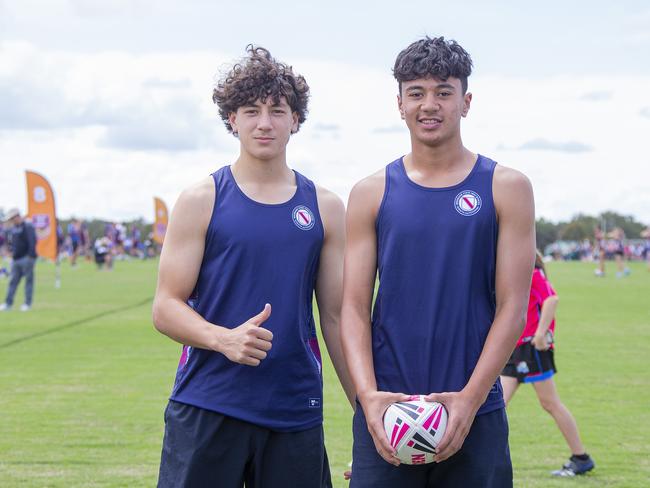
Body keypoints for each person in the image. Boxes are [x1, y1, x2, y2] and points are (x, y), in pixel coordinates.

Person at [152, 45, 354, 488]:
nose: (265, 122)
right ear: (232, 120)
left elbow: (337, 319)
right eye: (251, 110)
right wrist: (223, 339)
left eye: (277, 110)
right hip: (208, 405)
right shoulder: (201, 199)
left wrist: (366, 415)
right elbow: (166, 306)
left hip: (293, 408)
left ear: (295, 120)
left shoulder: (325, 206)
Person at [341, 36, 535, 487]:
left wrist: (470, 399)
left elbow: (513, 307)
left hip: (475, 409)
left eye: (444, 92)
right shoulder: (370, 192)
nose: (430, 105)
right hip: (388, 410)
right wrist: (367, 397)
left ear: (466, 102)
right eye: (417, 93)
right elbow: (353, 307)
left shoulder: (506, 187)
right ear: (399, 103)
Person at [501, 251, 595, 477]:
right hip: (515, 349)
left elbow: (552, 299)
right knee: (495, 404)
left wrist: (541, 333)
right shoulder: (515, 275)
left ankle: (581, 457)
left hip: (532, 349)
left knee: (550, 403)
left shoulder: (532, 273)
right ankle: (476, 458)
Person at [0, 208, 38, 312]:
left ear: (17, 216)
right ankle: (8, 303)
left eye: (13, 218)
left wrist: (31, 256)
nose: (12, 220)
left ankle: (27, 303)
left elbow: (32, 242)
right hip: (15, 259)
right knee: (13, 282)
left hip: (27, 258)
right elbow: (10, 242)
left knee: (28, 282)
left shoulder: (28, 226)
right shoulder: (13, 229)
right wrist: (10, 251)